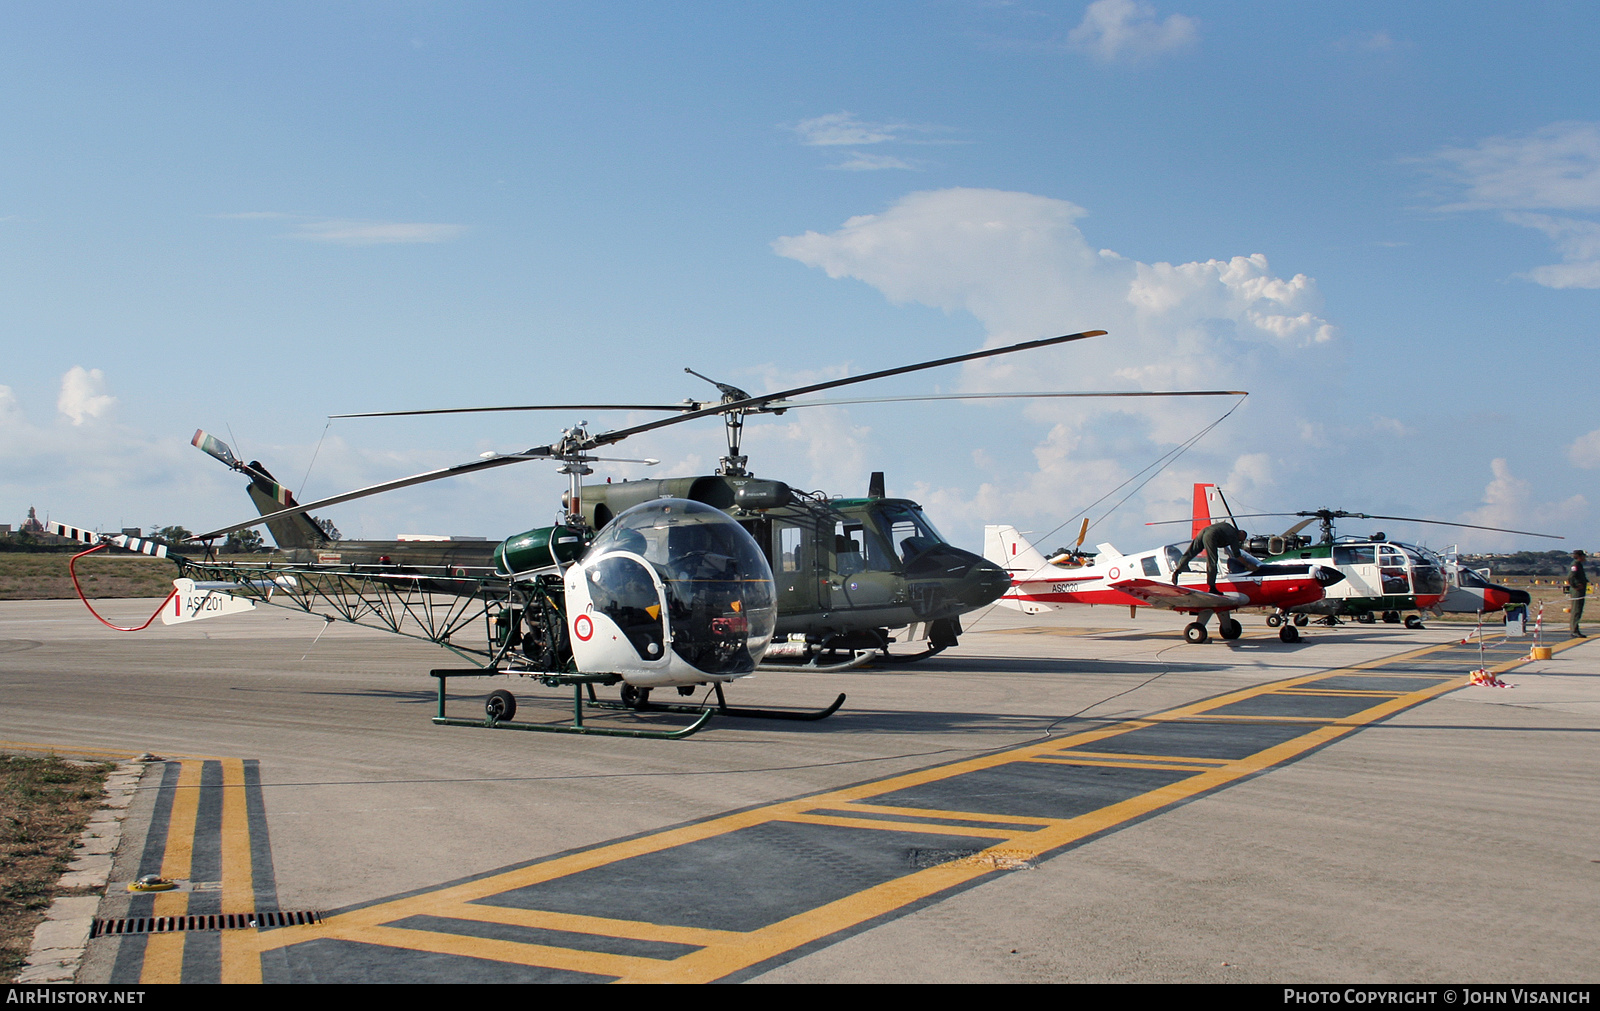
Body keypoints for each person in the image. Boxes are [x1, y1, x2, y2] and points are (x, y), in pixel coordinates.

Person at [1171, 522, 1260, 594]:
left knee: (1190, 553)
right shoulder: (1234, 536)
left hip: (1204, 531)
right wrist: (1248, 565)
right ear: (1240, 534)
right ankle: (1212, 587)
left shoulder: (1228, 527)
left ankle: (1177, 570)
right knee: (1212, 561)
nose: (1240, 541)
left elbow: (1224, 543)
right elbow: (1237, 555)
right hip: (1211, 535)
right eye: (1241, 539)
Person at [1567, 549, 1588, 639]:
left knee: (1578, 610)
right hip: (1577, 591)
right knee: (1576, 610)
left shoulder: (1578, 565)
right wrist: (1575, 586)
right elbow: (1570, 577)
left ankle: (1575, 629)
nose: (1585, 557)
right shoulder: (1575, 565)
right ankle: (1574, 630)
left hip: (1580, 590)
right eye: (1583, 556)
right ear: (1580, 557)